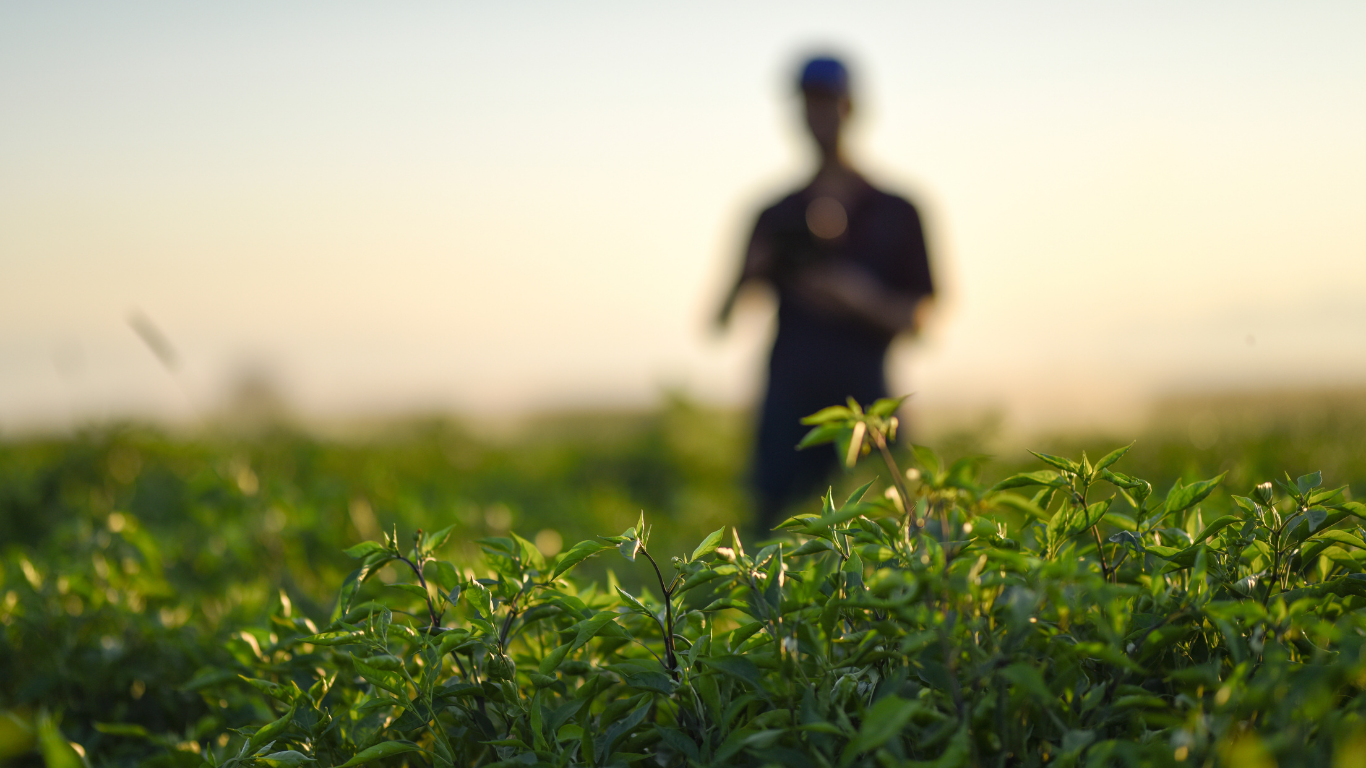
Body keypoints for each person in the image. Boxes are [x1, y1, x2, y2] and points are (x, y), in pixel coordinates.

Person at [716, 55, 935, 532]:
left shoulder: (897, 210)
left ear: (849, 108)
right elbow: (721, 318)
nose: (816, 116)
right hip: (787, 416)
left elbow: (920, 317)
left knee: (898, 530)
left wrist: (858, 298)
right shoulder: (773, 214)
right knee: (772, 541)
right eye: (808, 105)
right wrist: (748, 274)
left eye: (826, 103)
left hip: (868, 408)